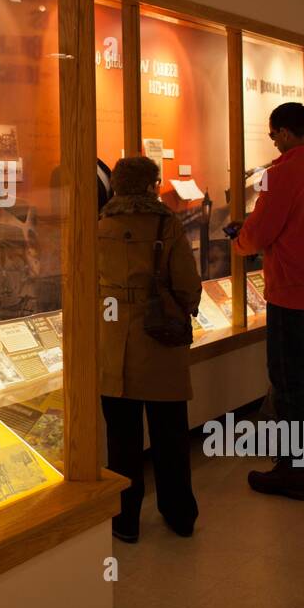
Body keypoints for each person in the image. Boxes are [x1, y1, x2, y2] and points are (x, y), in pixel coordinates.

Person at [230, 103, 304, 501]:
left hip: (292, 291)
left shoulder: (276, 176)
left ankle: (294, 470)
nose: (273, 142)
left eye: (273, 134)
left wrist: (239, 241)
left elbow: (257, 233)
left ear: (283, 132)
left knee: (290, 382)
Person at [97, 155, 202, 542]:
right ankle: (179, 514)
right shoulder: (167, 224)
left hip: (113, 346)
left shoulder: (101, 226)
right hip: (160, 341)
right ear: (150, 185)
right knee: (170, 435)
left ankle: (125, 521)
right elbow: (188, 285)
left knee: (121, 440)